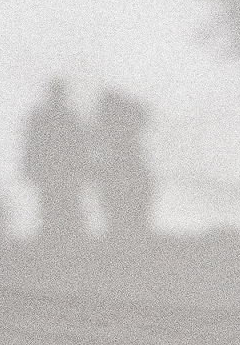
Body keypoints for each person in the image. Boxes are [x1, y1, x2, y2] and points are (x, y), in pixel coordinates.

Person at [22, 78, 87, 243]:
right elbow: (32, 145)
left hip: (59, 174)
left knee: (59, 208)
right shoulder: (67, 117)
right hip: (55, 174)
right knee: (54, 208)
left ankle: (59, 241)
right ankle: (56, 242)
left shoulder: (55, 117)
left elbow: (79, 147)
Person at [90, 88, 153, 240]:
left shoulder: (116, 117)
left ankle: (124, 232)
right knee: (119, 202)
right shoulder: (122, 115)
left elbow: (97, 139)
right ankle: (126, 232)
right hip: (123, 163)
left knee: (120, 202)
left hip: (123, 163)